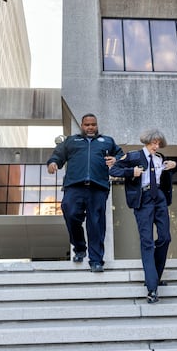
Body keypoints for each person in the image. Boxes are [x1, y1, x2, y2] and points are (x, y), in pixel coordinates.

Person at [47, 113, 124, 272]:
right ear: (82, 126)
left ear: (97, 126)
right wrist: (53, 163)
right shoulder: (71, 141)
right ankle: (80, 247)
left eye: (93, 124)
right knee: (70, 212)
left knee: (96, 224)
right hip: (74, 185)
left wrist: (116, 160)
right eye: (87, 125)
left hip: (98, 187)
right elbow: (58, 155)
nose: (90, 127)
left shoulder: (107, 141)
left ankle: (96, 260)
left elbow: (120, 154)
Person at [109, 129, 177, 303]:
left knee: (165, 238)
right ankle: (152, 287)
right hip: (143, 199)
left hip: (160, 199)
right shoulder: (133, 156)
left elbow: (165, 175)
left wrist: (174, 166)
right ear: (147, 141)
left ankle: (154, 275)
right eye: (153, 143)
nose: (156, 146)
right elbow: (113, 170)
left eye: (158, 143)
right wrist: (132, 172)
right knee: (147, 242)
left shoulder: (160, 158)